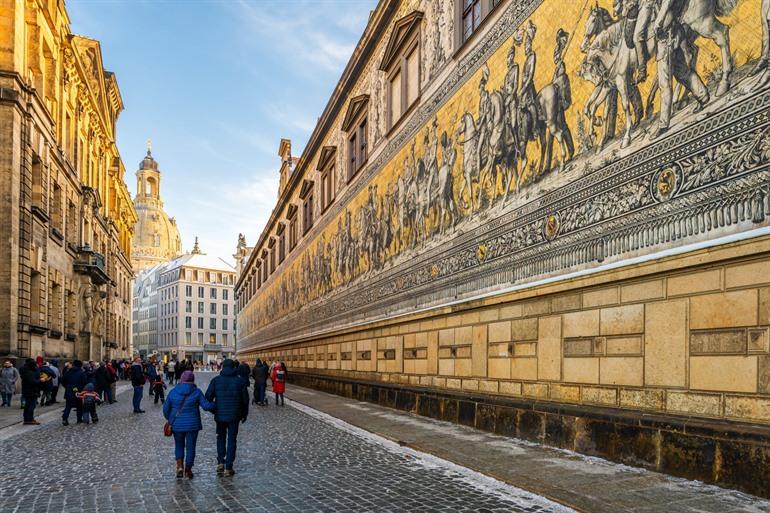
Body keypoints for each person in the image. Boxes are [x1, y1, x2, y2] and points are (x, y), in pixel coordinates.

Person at [164, 370, 214, 479]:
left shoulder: (173, 391)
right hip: (192, 425)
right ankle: (188, 470)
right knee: (191, 447)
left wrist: (171, 420)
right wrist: (216, 403)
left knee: (179, 445)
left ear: (181, 379)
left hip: (177, 425)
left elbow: (165, 409)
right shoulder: (196, 392)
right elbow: (206, 406)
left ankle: (179, 467)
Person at [205, 359, 249, 476]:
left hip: (220, 416)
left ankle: (220, 462)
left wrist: (214, 409)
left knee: (220, 437)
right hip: (235, 416)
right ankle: (229, 467)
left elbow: (208, 397)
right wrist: (244, 414)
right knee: (232, 439)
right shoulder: (239, 382)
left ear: (223, 367)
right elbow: (245, 400)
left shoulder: (216, 380)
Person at [61, 360, 87, 425]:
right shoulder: (81, 372)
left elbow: (63, 380)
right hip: (78, 391)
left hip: (69, 390)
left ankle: (65, 419)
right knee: (79, 406)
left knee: (68, 406)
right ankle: (79, 419)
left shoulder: (68, 372)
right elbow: (84, 382)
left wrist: (67, 387)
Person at [20, 358, 41, 425]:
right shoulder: (28, 372)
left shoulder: (26, 370)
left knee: (28, 405)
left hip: (28, 390)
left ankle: (28, 419)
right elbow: (33, 381)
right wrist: (40, 380)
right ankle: (29, 419)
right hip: (31, 391)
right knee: (31, 406)